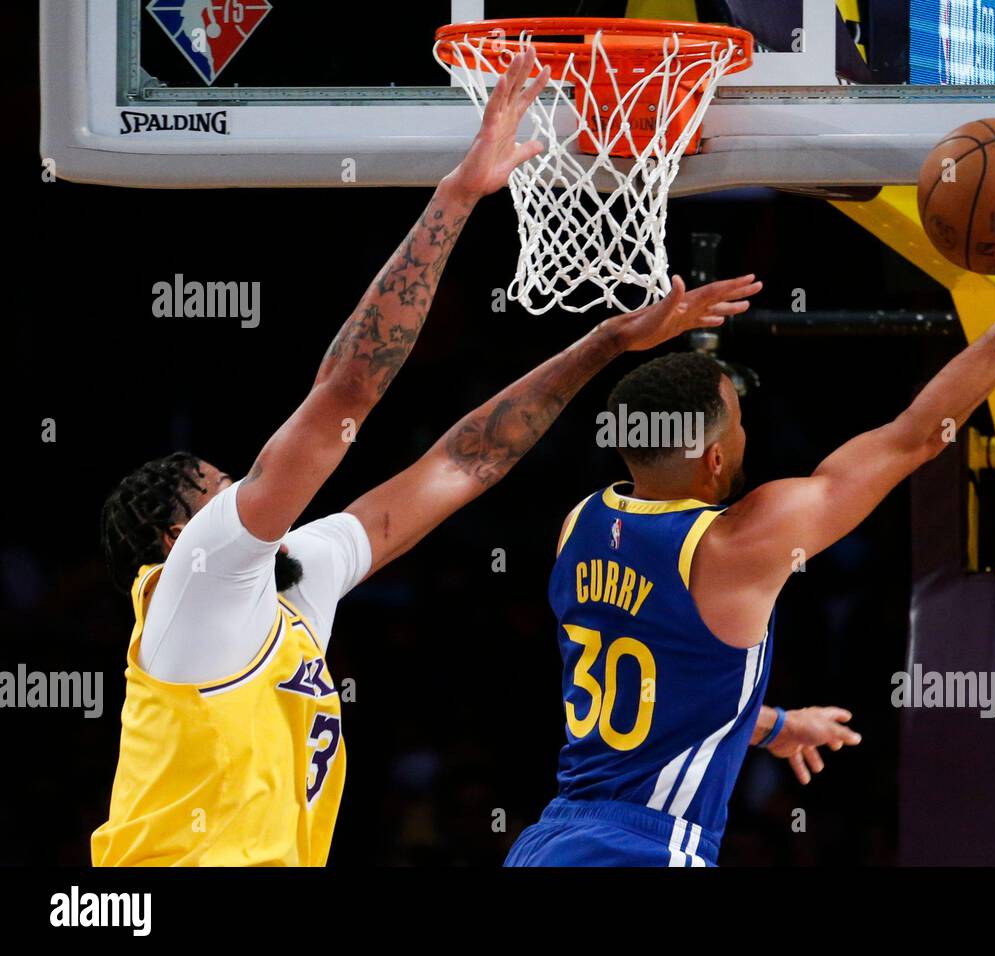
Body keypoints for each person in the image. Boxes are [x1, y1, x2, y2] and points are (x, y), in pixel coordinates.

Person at [90, 48, 759, 866]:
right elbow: (344, 393)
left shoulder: (294, 579)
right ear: (176, 538)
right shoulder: (197, 578)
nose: (245, 496)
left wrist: (606, 341)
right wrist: (459, 194)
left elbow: (462, 464)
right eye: (221, 490)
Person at [508, 176, 995, 867]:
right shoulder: (737, 543)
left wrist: (771, 725)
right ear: (716, 458)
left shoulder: (578, 524)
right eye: (742, 421)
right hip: (643, 849)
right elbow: (916, 437)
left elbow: (661, 695)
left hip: (550, 839)